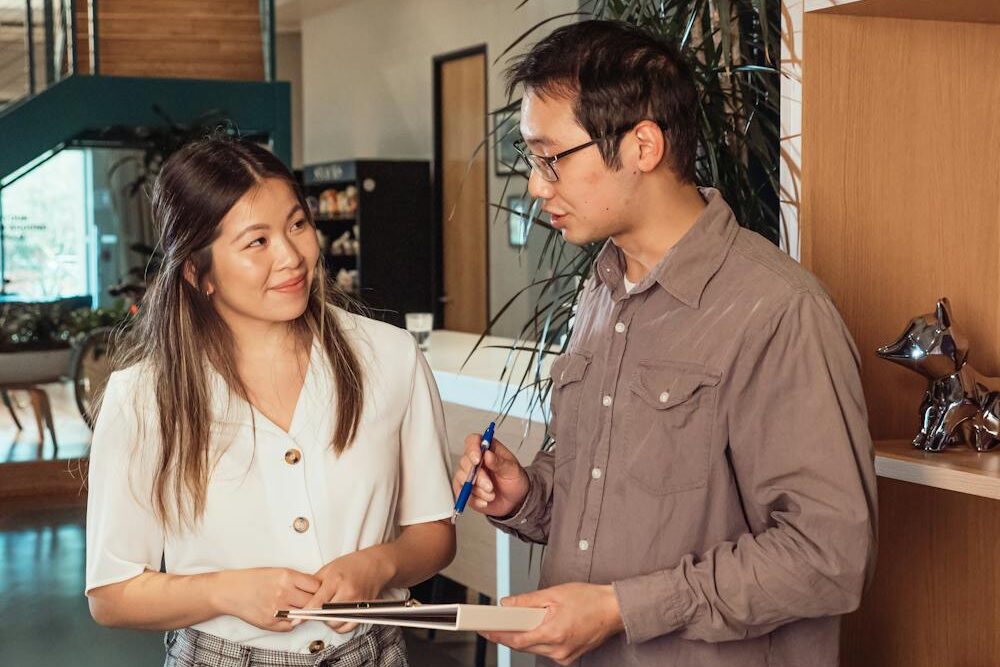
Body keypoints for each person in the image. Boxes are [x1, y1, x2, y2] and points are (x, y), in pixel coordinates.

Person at [452, 20, 877, 667]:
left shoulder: (777, 312)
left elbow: (827, 555)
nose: (537, 186)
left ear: (642, 144)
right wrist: (525, 496)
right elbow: (603, 499)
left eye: (550, 157)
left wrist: (621, 609)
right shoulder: (600, 291)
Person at [86, 137, 456, 667]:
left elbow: (434, 535)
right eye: (257, 241)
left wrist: (379, 566)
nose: (291, 256)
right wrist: (224, 592)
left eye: (297, 224)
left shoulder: (390, 356)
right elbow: (111, 593)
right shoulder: (144, 397)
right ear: (198, 272)